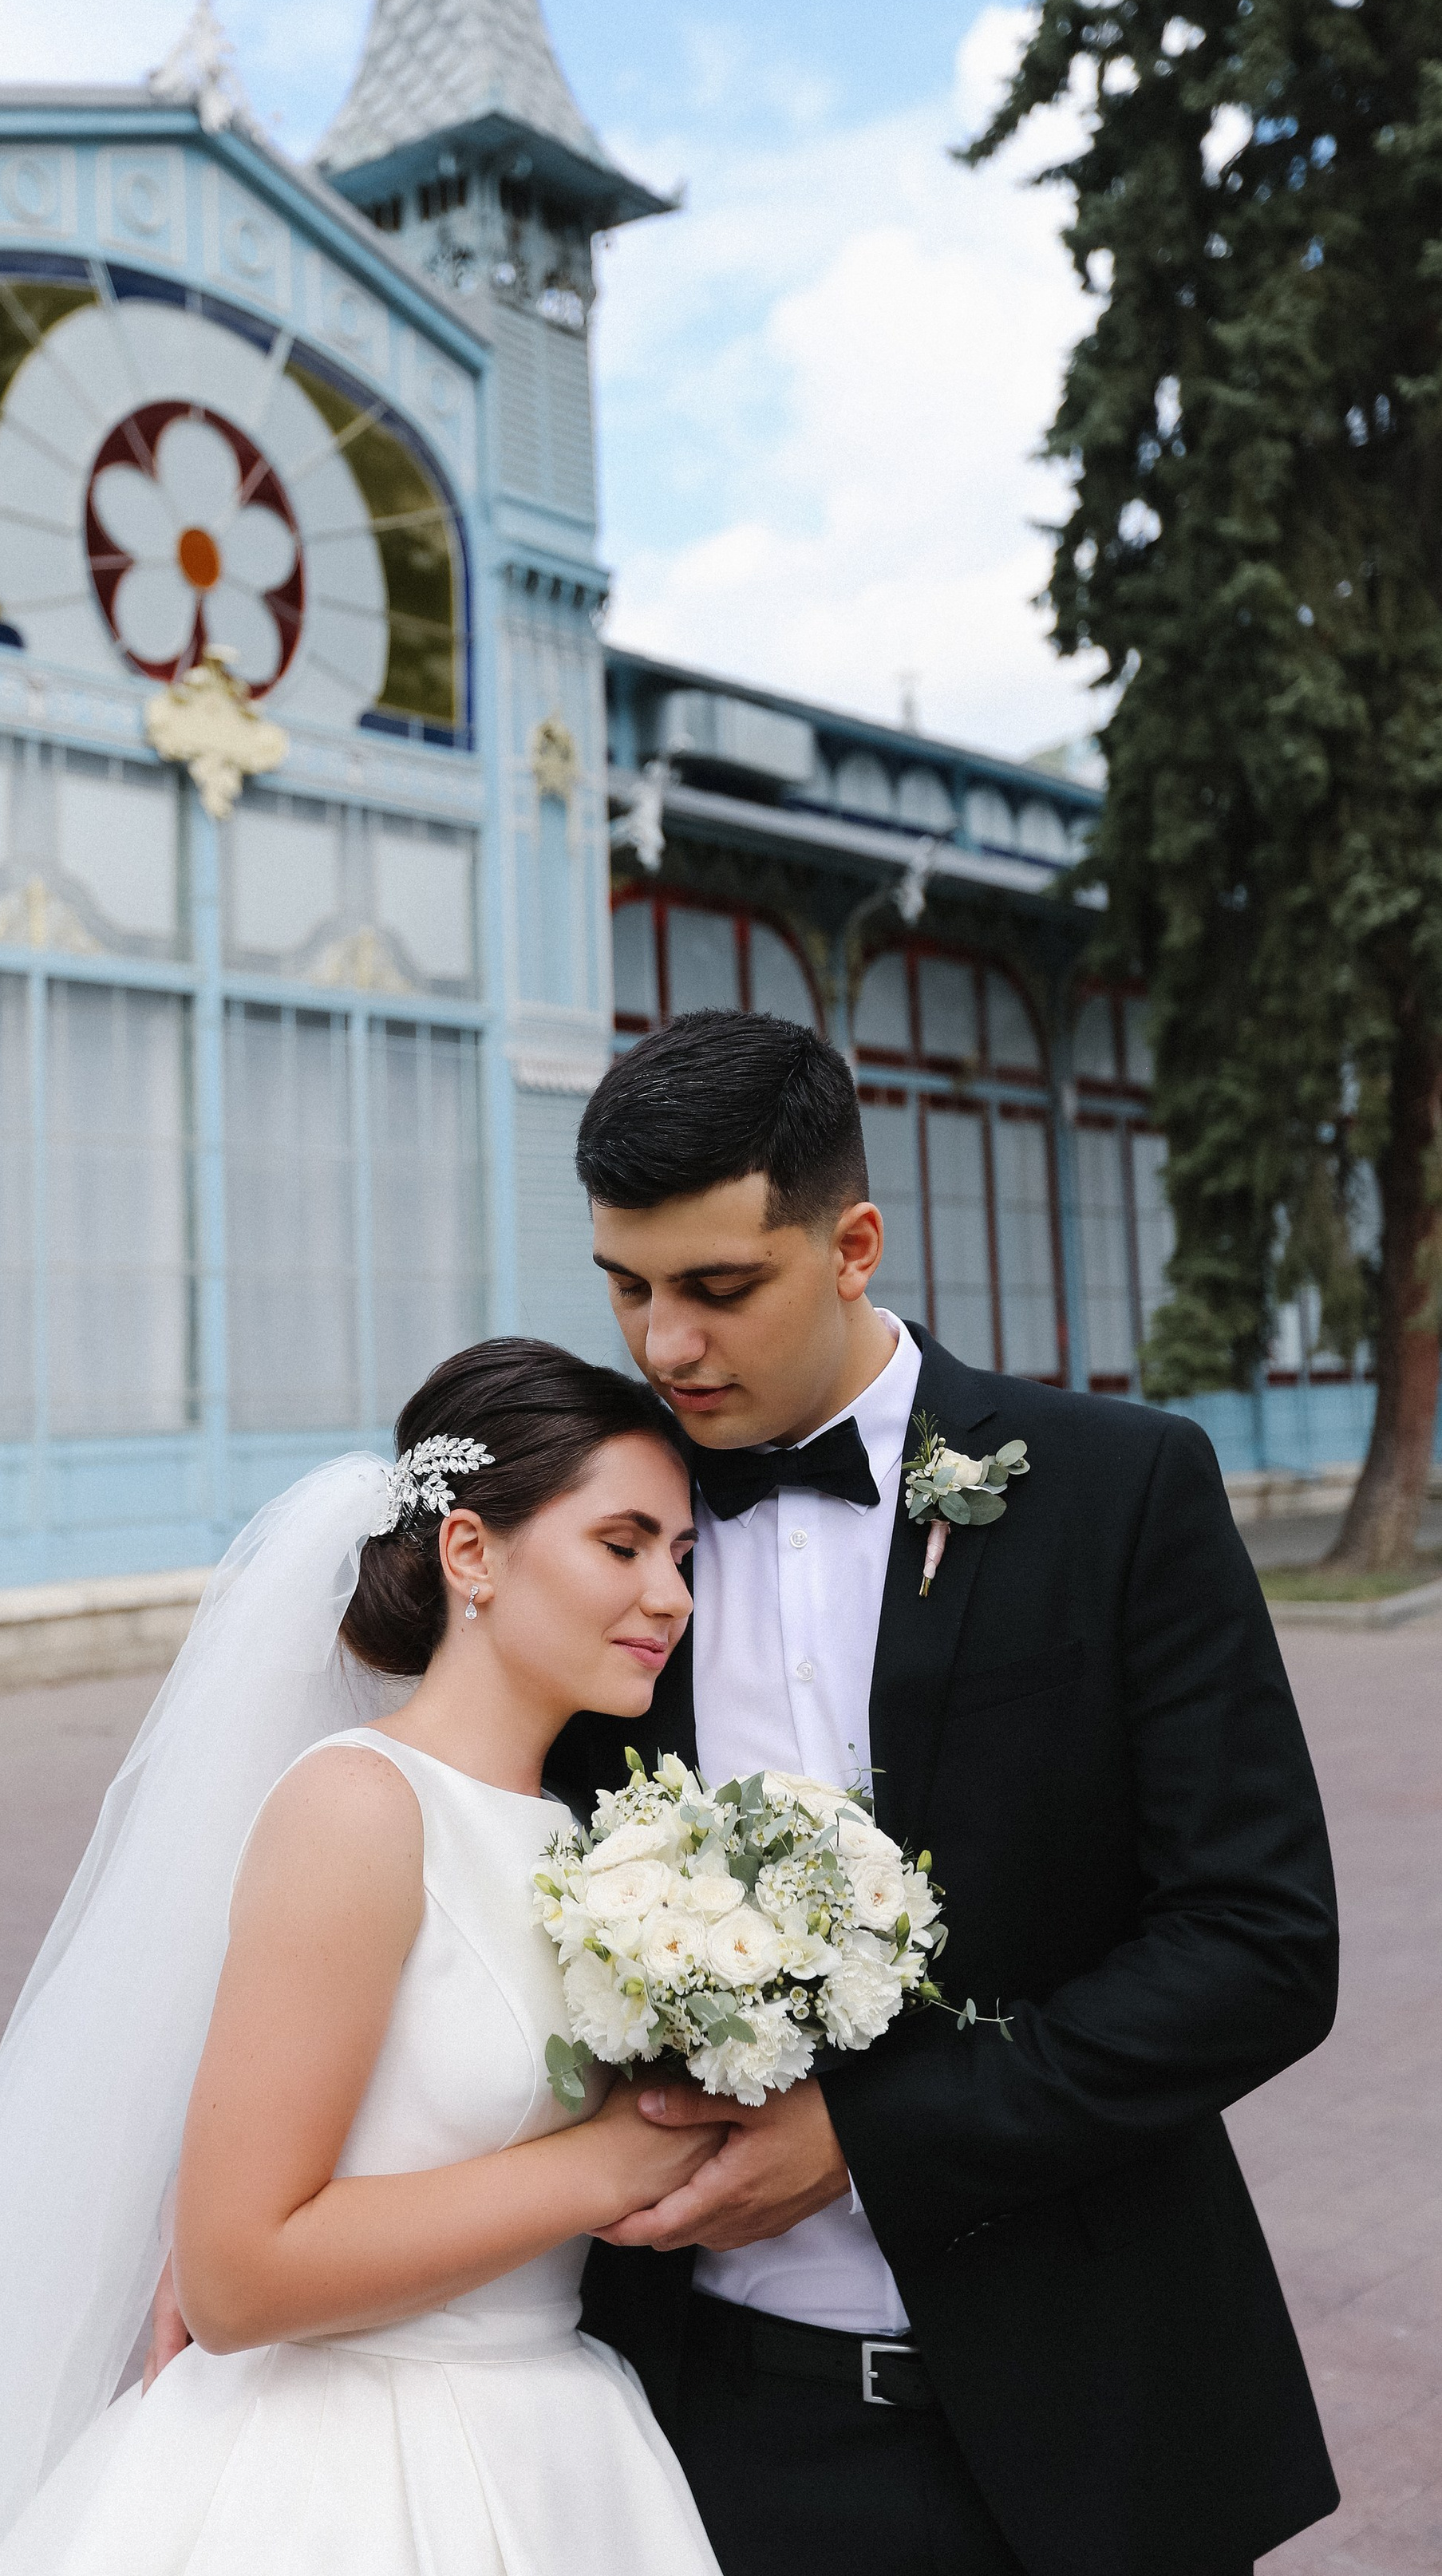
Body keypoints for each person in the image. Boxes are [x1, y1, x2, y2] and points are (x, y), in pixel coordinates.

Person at [0, 1341, 732, 2576]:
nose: (671, 1596)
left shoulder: (594, 1850)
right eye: (624, 1545)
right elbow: (235, 2274)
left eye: (682, 1556)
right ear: (470, 1554)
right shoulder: (361, 1808)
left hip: (562, 2458)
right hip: (349, 2475)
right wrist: (611, 2162)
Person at [544, 1006, 1340, 2576]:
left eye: (716, 1289)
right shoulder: (589, 1522)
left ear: (851, 1244)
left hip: (1078, 2432)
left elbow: (1256, 1948)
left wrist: (867, 2135)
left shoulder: (1118, 1487)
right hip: (697, 2435)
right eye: (625, 1290)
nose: (662, 1348)